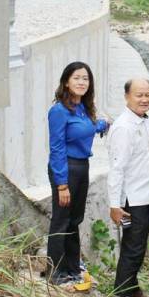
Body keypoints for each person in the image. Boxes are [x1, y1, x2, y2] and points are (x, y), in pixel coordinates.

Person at [46, 62, 109, 285]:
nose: (82, 82)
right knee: (61, 220)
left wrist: (104, 124)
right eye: (77, 78)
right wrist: (61, 185)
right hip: (66, 168)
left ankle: (72, 268)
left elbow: (89, 126)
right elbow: (57, 148)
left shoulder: (83, 108)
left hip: (82, 167)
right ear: (66, 81)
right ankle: (55, 271)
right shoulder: (58, 111)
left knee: (75, 220)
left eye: (85, 78)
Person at [107, 78, 149, 297]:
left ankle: (131, 289)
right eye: (139, 95)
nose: (144, 99)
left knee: (137, 246)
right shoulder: (124, 128)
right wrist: (114, 205)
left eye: (148, 95)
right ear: (127, 97)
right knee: (132, 250)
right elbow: (116, 169)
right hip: (131, 201)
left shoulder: (142, 120)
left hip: (145, 195)